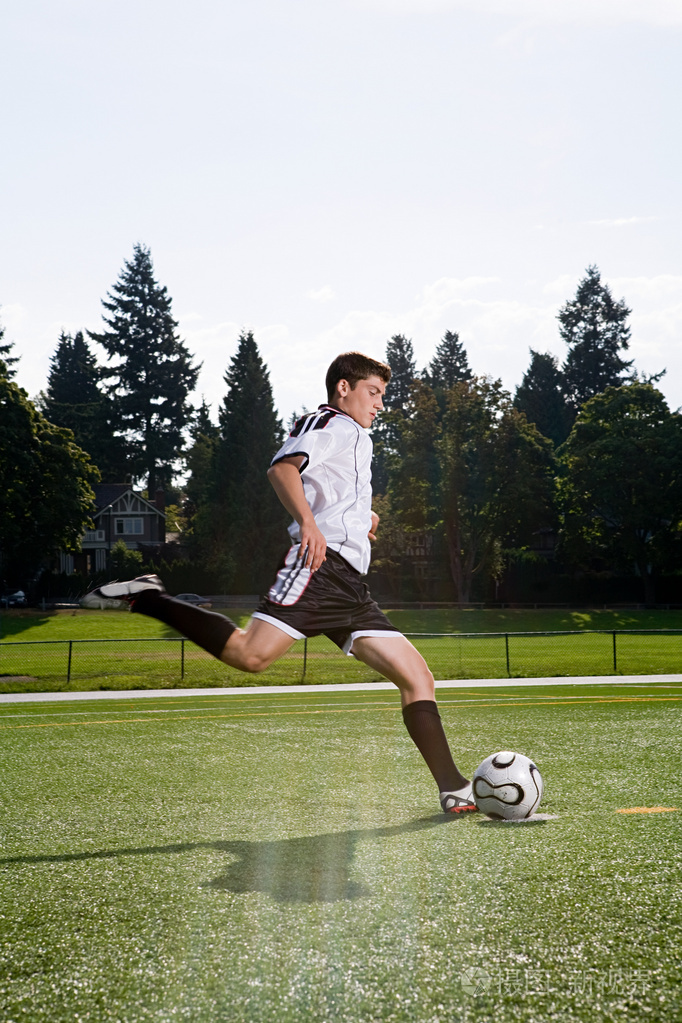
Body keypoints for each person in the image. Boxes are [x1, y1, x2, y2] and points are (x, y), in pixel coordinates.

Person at [84, 352, 476, 814]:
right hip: (318, 569)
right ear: (344, 388)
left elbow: (327, 486)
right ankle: (148, 597)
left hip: (351, 587)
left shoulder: (354, 435)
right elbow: (283, 468)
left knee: (417, 677)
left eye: (383, 396)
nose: (380, 404)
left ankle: (454, 789)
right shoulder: (331, 422)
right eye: (373, 392)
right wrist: (309, 524)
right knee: (250, 655)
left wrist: (357, 517)